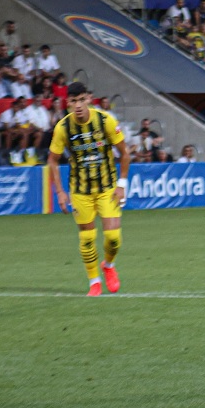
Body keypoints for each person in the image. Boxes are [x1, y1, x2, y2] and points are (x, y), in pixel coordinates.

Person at [47, 82, 130, 296]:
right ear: (68, 104)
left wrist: (122, 184)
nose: (78, 105)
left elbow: (124, 152)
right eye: (73, 101)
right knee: (87, 238)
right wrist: (60, 192)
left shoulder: (106, 121)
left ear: (88, 100)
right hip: (81, 191)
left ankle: (108, 266)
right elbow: (53, 161)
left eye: (81, 100)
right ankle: (94, 281)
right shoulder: (63, 128)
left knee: (113, 238)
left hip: (107, 188)